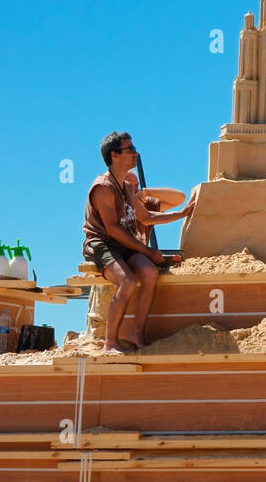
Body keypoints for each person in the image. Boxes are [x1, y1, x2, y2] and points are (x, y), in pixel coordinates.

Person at [81, 132, 193, 354]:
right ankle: (110, 343)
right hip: (101, 243)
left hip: (121, 244)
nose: (135, 153)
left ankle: (136, 333)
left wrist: (182, 214)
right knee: (128, 282)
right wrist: (147, 250)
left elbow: (146, 217)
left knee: (150, 273)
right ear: (114, 155)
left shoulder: (123, 187)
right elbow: (111, 229)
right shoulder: (103, 187)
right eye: (129, 149)